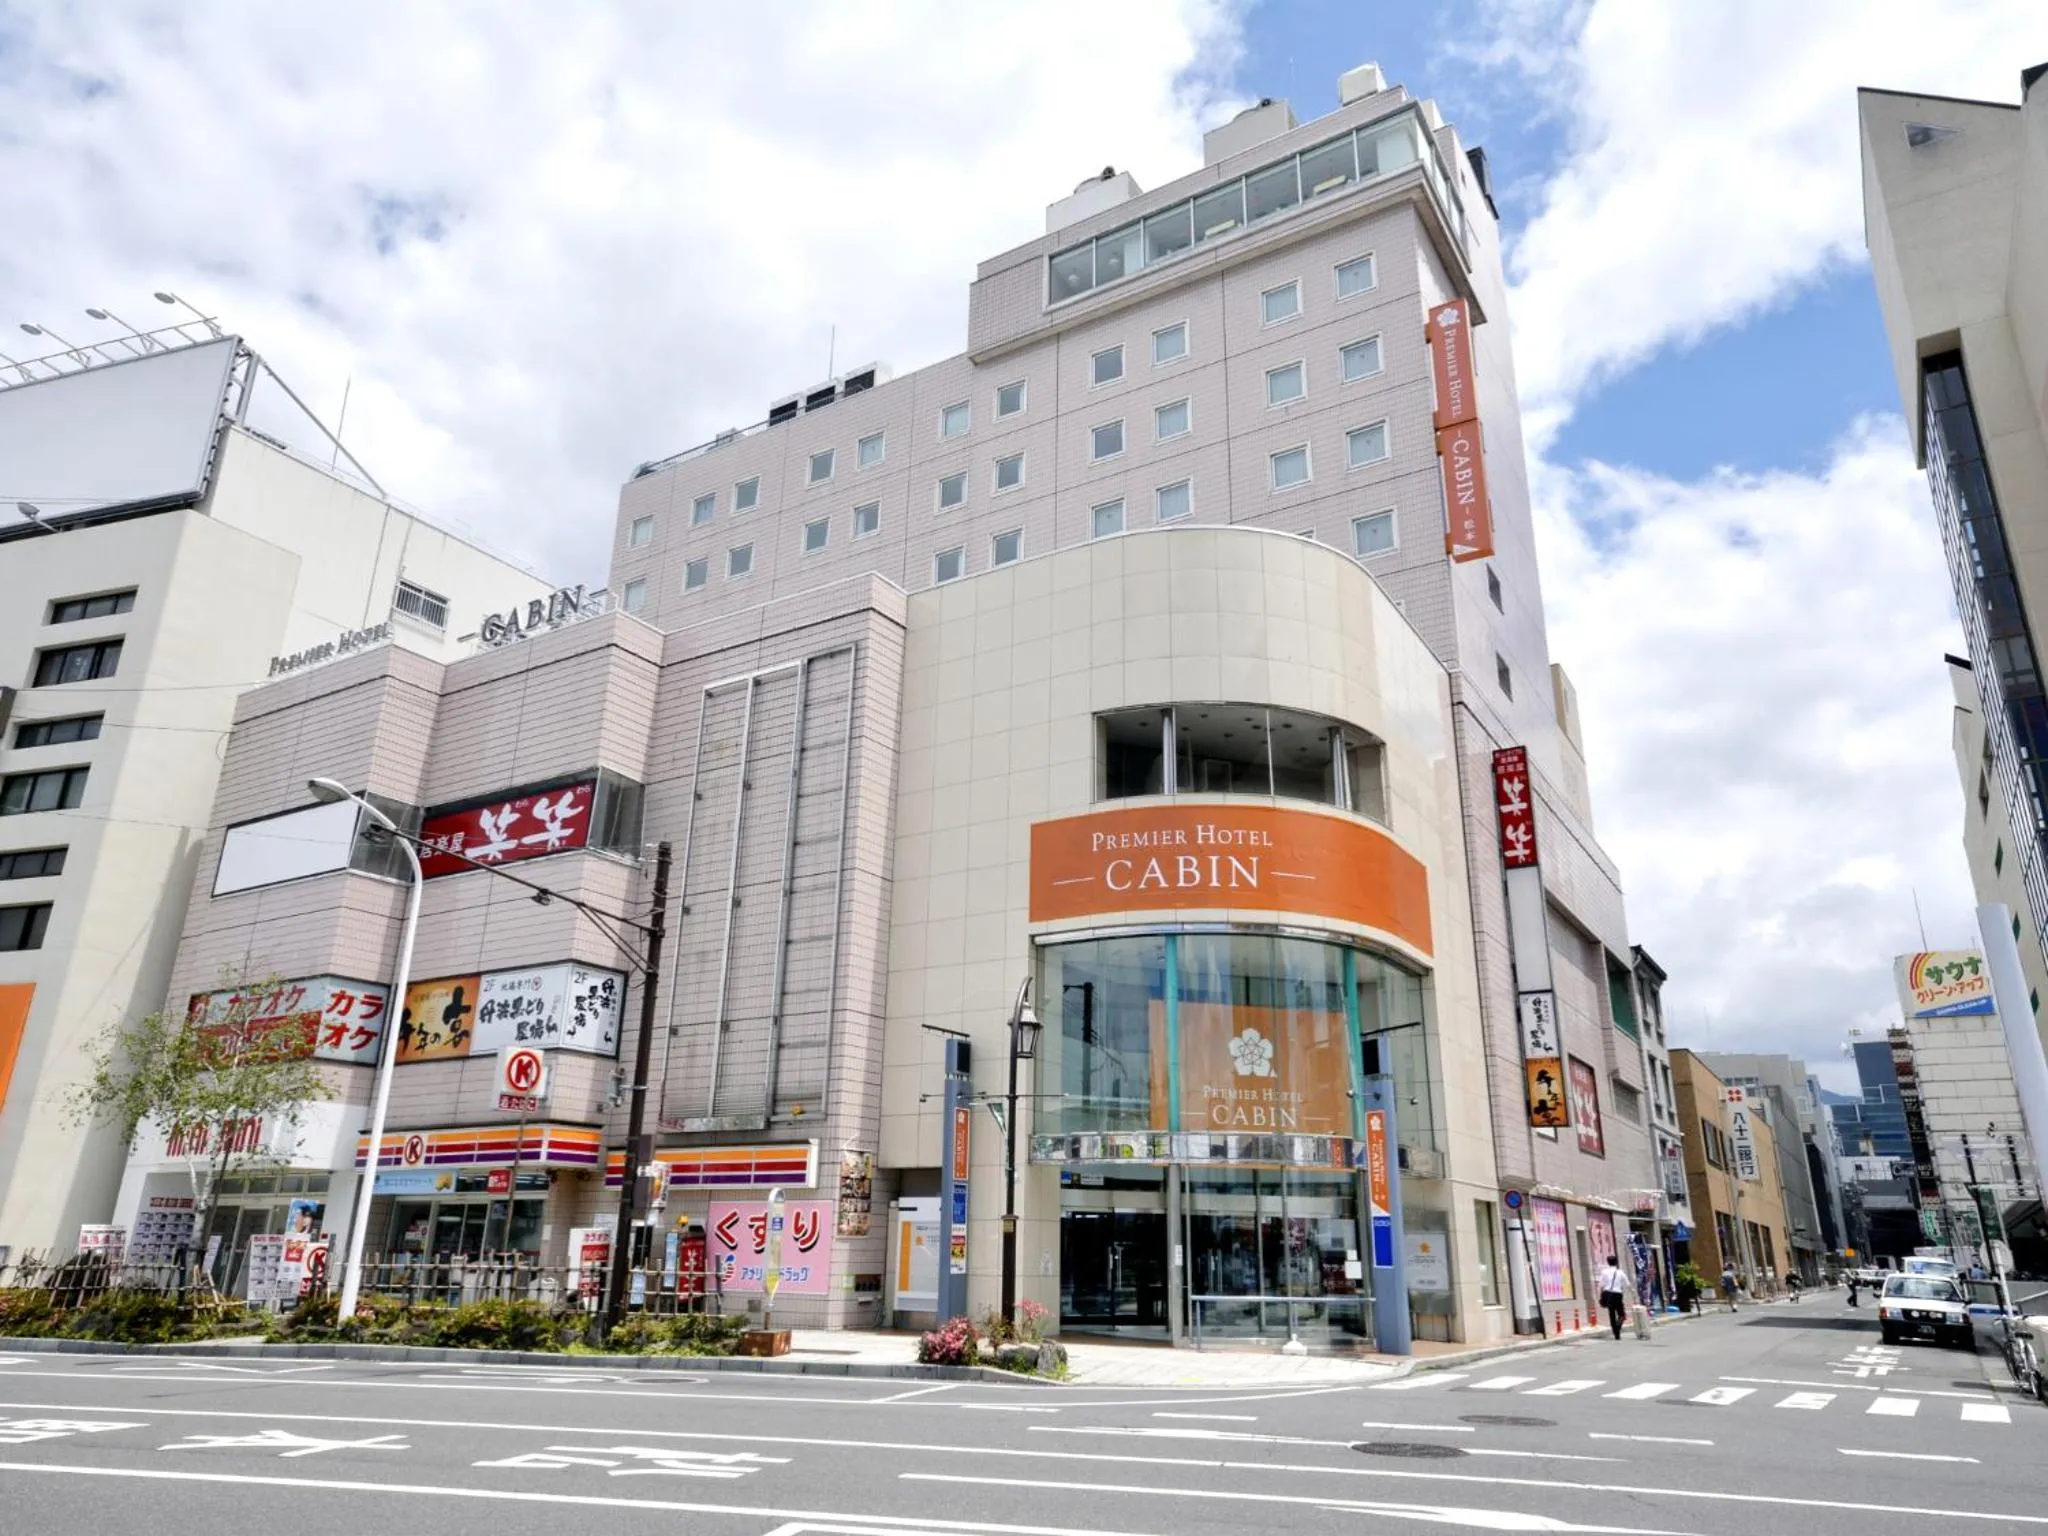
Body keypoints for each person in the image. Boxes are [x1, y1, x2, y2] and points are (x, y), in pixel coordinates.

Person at [1598, 1255, 1631, 1339]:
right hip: (1617, 1294)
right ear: (1616, 1262)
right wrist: (1631, 1291)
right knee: (1622, 1315)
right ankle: (1618, 1326)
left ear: (1608, 1262)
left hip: (1608, 1294)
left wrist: (1600, 1295)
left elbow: (1601, 1285)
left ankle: (1616, 1334)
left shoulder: (1604, 1272)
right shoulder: (1620, 1272)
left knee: (1611, 1314)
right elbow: (1627, 1284)